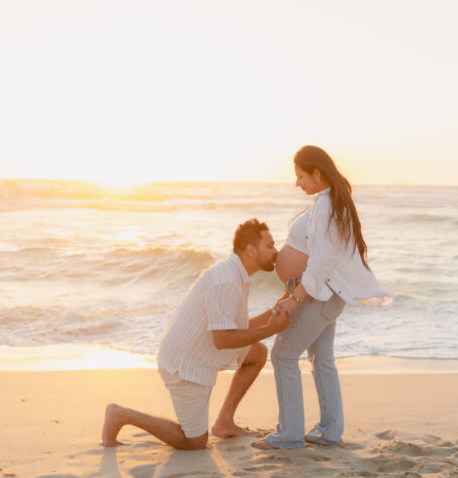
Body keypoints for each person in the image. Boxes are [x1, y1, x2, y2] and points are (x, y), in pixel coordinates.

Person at [102, 219, 291, 450]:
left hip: (201, 352)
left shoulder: (236, 275)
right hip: (184, 364)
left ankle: (224, 423)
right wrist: (272, 329)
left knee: (257, 353)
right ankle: (120, 414)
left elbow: (233, 328)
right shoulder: (227, 281)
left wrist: (272, 312)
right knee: (193, 442)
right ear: (251, 250)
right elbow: (222, 339)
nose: (276, 251)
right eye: (270, 245)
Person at [253, 145, 385, 450]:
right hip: (326, 292)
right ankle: (329, 431)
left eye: (300, 176)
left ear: (317, 172)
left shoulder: (327, 205)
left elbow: (322, 261)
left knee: (283, 356)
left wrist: (296, 297)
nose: (297, 183)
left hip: (319, 293)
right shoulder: (330, 201)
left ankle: (289, 435)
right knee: (322, 359)